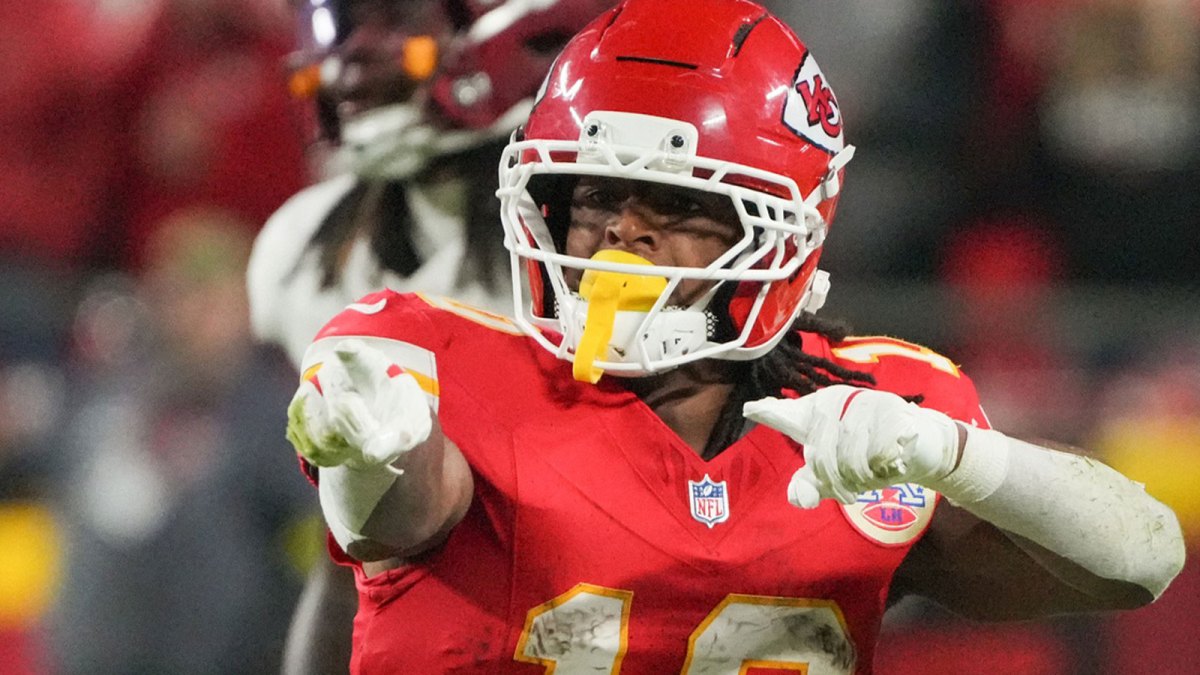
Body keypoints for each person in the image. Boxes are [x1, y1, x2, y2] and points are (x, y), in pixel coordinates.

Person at [282, 0, 1187, 672]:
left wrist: (957, 455)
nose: (622, 234)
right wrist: (372, 454)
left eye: (677, 204)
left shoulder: (865, 419)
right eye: (594, 194)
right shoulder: (424, 360)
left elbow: (1141, 559)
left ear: (785, 232)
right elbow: (386, 517)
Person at [246, 1, 620, 671]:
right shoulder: (307, 252)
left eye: (394, 13)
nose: (352, 53)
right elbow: (352, 562)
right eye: (339, 22)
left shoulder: (602, 243)